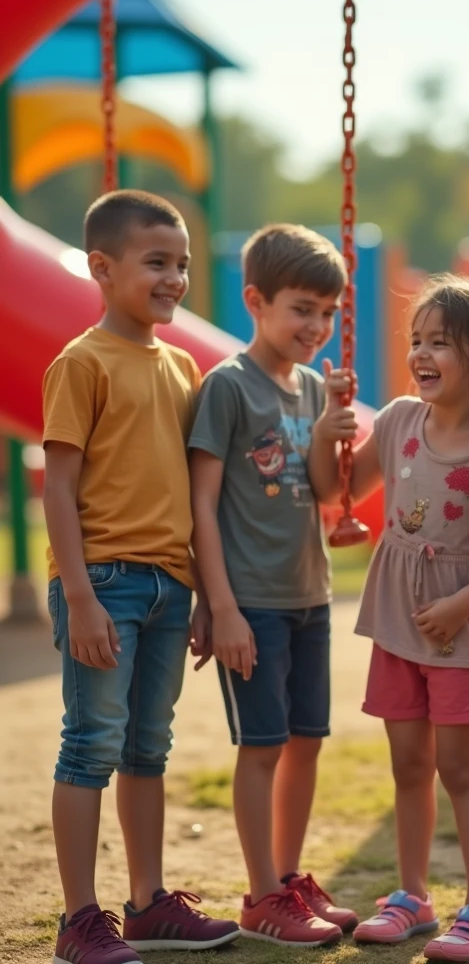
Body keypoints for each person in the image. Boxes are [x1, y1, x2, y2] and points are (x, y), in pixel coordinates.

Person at [310, 275, 469, 961]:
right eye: (418, 341)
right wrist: (328, 427)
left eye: (442, 342)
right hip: (398, 613)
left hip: (460, 621)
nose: (423, 353)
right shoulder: (402, 419)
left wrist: (462, 605)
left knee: (459, 768)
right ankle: (411, 896)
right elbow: (333, 489)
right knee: (408, 763)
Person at [43, 190, 239, 964]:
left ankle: (150, 904)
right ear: (101, 267)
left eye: (182, 264)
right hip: (104, 585)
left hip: (167, 587)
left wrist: (193, 590)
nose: (175, 278)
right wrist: (82, 597)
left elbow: (184, 491)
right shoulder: (80, 363)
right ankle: (79, 920)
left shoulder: (182, 365)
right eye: (157, 262)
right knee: (91, 744)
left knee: (147, 749)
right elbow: (59, 486)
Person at [188, 223, 357, 948]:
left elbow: (322, 490)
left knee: (306, 741)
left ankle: (288, 880)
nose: (316, 327)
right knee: (261, 747)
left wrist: (329, 432)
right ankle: (261, 896)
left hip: (308, 594)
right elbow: (200, 503)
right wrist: (219, 605)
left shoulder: (314, 385)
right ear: (256, 301)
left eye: (327, 313)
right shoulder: (227, 386)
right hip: (250, 600)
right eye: (301, 309)